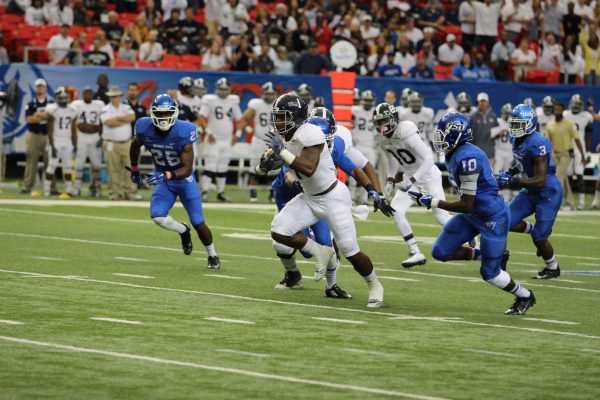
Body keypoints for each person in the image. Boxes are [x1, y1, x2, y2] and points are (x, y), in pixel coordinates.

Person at [265, 93, 390, 308]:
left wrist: (373, 191)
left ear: (295, 116)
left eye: (283, 117)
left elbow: (308, 168)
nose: (278, 122)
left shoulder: (312, 133)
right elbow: (279, 163)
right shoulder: (288, 136)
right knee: (279, 230)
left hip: (333, 197)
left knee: (350, 249)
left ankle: (374, 285)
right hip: (309, 197)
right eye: (277, 117)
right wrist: (265, 164)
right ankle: (322, 251)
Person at [410, 112, 536, 315]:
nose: (440, 136)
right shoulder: (454, 153)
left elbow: (467, 204)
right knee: (441, 251)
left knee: (490, 273)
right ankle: (483, 254)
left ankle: (525, 296)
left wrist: (432, 201)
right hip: (473, 214)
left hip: (491, 218)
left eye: (445, 132)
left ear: (459, 134)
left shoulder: (469, 156)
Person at [129, 94, 220, 269]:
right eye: (159, 113)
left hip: (184, 181)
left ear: (175, 113)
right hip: (164, 181)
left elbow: (187, 168)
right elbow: (135, 145)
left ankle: (212, 254)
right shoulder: (143, 126)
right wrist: (134, 169)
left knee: (198, 221)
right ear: (152, 113)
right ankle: (183, 231)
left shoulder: (184, 130)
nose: (163, 117)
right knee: (157, 217)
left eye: (166, 113)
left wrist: (166, 176)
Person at [373, 103, 451, 268]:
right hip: (410, 178)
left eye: (385, 120)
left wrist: (411, 181)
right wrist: (390, 179)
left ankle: (472, 236)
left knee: (441, 217)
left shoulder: (406, 130)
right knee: (396, 210)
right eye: (379, 122)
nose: (382, 126)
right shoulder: (382, 138)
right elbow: (392, 157)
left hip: (428, 176)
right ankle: (415, 252)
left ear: (394, 118)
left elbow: (429, 159)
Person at [494, 103, 563, 280]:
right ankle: (500, 257)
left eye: (519, 124)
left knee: (539, 238)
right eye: (513, 123)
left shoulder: (538, 142)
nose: (514, 128)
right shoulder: (514, 138)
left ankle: (553, 267)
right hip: (530, 191)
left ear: (530, 124)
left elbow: (540, 180)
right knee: (503, 220)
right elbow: (521, 162)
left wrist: (512, 180)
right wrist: (510, 172)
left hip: (547, 192)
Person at [198, 78, 242, 202]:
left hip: (227, 140)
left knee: (223, 167)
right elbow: (201, 117)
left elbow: (240, 119)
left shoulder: (233, 101)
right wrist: (208, 132)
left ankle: (220, 192)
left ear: (229, 89)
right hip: (214, 139)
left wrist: (237, 135)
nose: (223, 92)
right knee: (210, 166)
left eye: (225, 89)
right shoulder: (210, 100)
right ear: (217, 89)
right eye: (221, 89)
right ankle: (205, 191)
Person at [235, 82, 277, 202]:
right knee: (255, 166)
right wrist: (248, 130)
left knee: (273, 167)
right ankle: (253, 191)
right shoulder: (256, 104)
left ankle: (272, 192)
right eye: (267, 93)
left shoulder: (278, 104)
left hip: (274, 141)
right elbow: (244, 119)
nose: (269, 96)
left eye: (271, 93)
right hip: (258, 140)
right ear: (263, 93)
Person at [100, 85, 141, 201]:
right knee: (113, 169)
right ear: (109, 97)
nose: (114, 98)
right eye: (112, 96)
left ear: (120, 96)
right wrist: (123, 120)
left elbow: (132, 117)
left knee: (130, 167)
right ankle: (114, 192)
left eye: (116, 96)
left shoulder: (126, 107)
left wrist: (117, 119)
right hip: (111, 143)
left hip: (127, 142)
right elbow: (109, 123)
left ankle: (130, 192)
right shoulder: (105, 108)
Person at [545, 102, 585, 210]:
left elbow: (577, 139)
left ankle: (555, 203)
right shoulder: (550, 125)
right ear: (553, 111)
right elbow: (548, 142)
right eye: (556, 110)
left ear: (563, 110)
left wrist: (582, 155)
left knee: (558, 177)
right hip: (555, 154)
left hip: (566, 154)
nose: (557, 111)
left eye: (559, 109)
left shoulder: (569, 123)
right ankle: (571, 204)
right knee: (564, 178)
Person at [21, 79, 56, 195]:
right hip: (34, 135)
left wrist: (38, 116)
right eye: (38, 87)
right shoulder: (31, 104)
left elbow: (53, 118)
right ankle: (28, 186)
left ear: (45, 88)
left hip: (47, 135)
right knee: (31, 161)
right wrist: (44, 117)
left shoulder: (51, 103)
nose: (40, 89)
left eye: (42, 87)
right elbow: (29, 119)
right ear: (35, 88)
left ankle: (51, 187)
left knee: (50, 162)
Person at [44, 87, 77, 197]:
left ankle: (68, 189)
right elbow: (50, 130)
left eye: (64, 98)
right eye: (61, 98)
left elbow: (73, 129)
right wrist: (52, 145)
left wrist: (75, 144)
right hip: (56, 140)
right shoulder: (53, 109)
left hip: (67, 141)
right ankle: (47, 189)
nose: (63, 100)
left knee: (68, 166)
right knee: (52, 165)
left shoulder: (72, 110)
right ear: (57, 99)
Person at [71, 87, 104, 197]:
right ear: (82, 94)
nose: (87, 96)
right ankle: (76, 189)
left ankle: (97, 189)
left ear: (93, 95)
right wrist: (74, 141)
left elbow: (103, 122)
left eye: (89, 94)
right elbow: (73, 122)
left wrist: (102, 137)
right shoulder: (77, 105)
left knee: (97, 165)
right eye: (86, 94)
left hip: (94, 137)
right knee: (79, 165)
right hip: (82, 137)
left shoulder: (99, 105)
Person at [564, 94, 593, 210]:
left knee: (580, 174)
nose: (576, 106)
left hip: (580, 148)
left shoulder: (586, 116)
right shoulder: (566, 114)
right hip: (568, 147)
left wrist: (588, 152)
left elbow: (589, 136)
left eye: (578, 104)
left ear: (581, 105)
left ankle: (581, 201)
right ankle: (570, 202)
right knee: (569, 175)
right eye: (574, 103)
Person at [491, 103, 514, 202]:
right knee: (496, 174)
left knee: (507, 175)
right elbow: (491, 136)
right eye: (506, 113)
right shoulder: (498, 122)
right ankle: (492, 194)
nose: (508, 115)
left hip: (510, 152)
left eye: (509, 113)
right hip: (499, 151)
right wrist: (498, 134)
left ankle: (507, 197)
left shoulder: (515, 123)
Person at [471, 92, 498, 165]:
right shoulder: (473, 117)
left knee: (489, 175)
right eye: (480, 101)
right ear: (478, 103)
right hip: (476, 154)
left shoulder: (493, 116)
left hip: (490, 154)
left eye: (484, 101)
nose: (482, 103)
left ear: (488, 103)